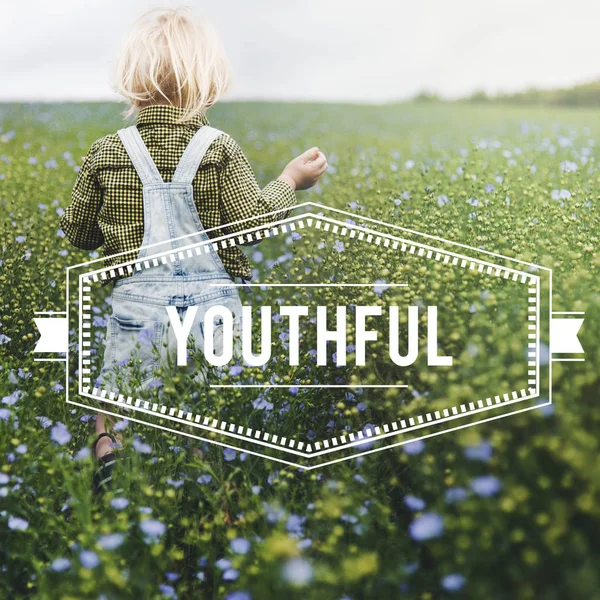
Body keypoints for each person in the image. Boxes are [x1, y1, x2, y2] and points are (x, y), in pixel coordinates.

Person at [60, 6, 327, 492]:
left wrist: (104, 227)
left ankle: (108, 451)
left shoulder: (106, 151)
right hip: (209, 306)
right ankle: (202, 470)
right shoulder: (218, 147)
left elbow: (78, 233)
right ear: (209, 82)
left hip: (137, 303)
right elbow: (253, 224)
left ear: (130, 81)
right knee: (205, 398)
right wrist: (290, 179)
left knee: (118, 388)